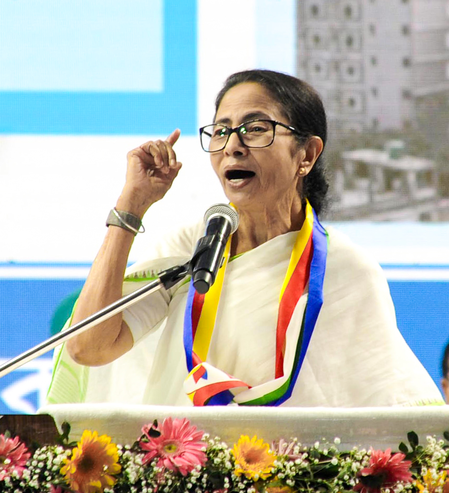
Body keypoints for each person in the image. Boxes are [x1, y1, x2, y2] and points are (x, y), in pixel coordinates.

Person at [46, 69, 443, 407]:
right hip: (179, 459)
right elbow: (88, 347)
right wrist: (132, 205)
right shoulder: (188, 250)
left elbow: (386, 406)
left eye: (255, 129)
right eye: (221, 131)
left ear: (307, 154)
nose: (232, 146)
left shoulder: (346, 270)